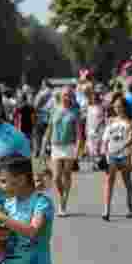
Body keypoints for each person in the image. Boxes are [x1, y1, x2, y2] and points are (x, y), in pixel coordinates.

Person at [45, 88, 83, 217]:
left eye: (69, 95)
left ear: (71, 97)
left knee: (67, 175)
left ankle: (63, 204)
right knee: (56, 178)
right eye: (64, 95)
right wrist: (43, 145)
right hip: (56, 146)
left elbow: (79, 133)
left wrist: (78, 148)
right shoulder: (54, 109)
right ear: (60, 96)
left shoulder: (75, 112)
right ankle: (62, 197)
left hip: (69, 146)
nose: (66, 97)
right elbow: (49, 128)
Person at [100, 92, 132, 221]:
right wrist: (104, 153)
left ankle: (129, 206)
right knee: (109, 181)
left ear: (125, 107)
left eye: (120, 106)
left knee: (127, 181)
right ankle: (106, 209)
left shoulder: (131, 121)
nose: (118, 108)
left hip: (125, 155)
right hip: (112, 155)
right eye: (115, 106)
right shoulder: (110, 121)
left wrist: (128, 146)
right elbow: (105, 139)